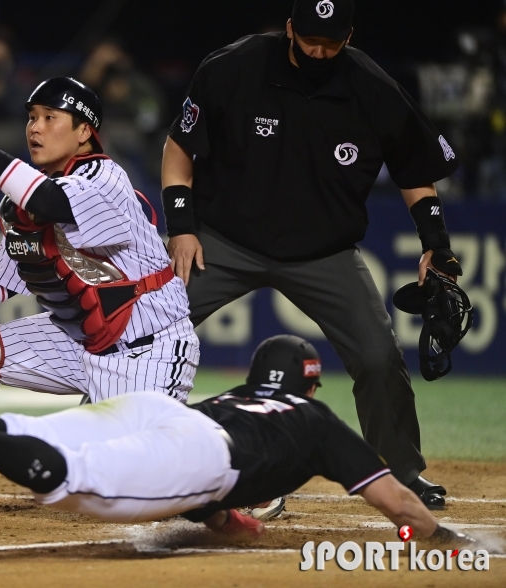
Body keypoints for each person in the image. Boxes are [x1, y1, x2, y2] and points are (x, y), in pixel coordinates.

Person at [160, 0, 463, 509]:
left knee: (378, 356)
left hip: (324, 252)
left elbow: (415, 170)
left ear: (349, 35)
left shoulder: (372, 87)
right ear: (289, 29)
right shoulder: (234, 67)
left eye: (331, 41)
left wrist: (437, 245)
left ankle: (401, 475)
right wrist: (181, 228)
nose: (320, 51)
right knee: (143, 331)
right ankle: (89, 445)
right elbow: (178, 149)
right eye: (309, 40)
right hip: (223, 242)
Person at [0, 76, 199, 518]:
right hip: (80, 340)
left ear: (85, 131)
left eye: (51, 117)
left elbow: (48, 201)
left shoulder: (105, 178)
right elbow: (3, 277)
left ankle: (249, 478)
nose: (35, 128)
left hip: (148, 346)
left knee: (132, 485)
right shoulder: (23, 195)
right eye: (31, 117)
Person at [0, 335, 472, 547]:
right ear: (309, 386)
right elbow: (399, 505)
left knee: (31, 429)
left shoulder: (234, 398)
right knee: (73, 478)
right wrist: (453, 543)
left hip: (165, 411)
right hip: (204, 454)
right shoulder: (316, 423)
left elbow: (208, 503)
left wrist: (231, 521)